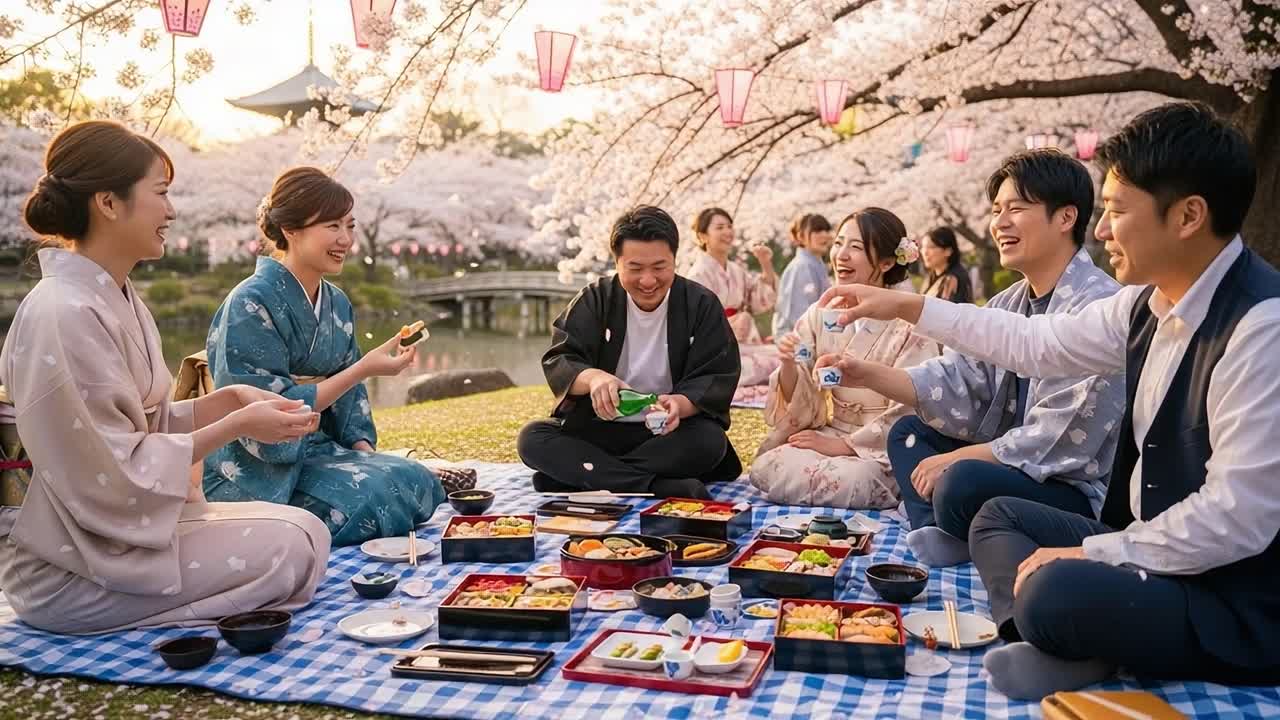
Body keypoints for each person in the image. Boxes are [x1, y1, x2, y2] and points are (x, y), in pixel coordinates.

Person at [815, 102, 1280, 698]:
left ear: (1188, 216)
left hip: (1228, 595)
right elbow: (1034, 344)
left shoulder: (1259, 327)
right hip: (1145, 550)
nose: (1103, 229)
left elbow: (1238, 518)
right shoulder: (1146, 304)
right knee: (999, 519)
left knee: (1056, 586)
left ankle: (1068, 629)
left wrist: (1098, 551)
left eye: (1115, 211)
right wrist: (907, 305)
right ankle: (1056, 639)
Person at [0, 121, 330, 634]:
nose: (172, 211)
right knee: (290, 549)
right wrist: (238, 425)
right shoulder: (62, 314)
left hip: (120, 540)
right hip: (73, 567)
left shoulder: (111, 295)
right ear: (109, 203)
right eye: (161, 193)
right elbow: (112, 470)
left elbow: (137, 427)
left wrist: (226, 403)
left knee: (307, 531)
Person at [867, 150, 1127, 568]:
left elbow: (1056, 438)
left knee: (960, 481)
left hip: (1067, 485)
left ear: (1065, 218)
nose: (1000, 222)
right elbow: (959, 379)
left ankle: (952, 528)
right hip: (1007, 466)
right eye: (995, 210)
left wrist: (958, 457)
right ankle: (945, 532)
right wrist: (863, 374)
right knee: (909, 434)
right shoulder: (1008, 300)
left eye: (1017, 209)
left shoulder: (1099, 304)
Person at [203, 167, 445, 546]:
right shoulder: (249, 302)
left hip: (319, 449)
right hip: (260, 464)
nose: (345, 239)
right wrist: (363, 369)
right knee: (370, 498)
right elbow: (266, 413)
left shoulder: (337, 302)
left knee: (416, 479)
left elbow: (350, 400)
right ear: (291, 229)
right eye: (332, 226)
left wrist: (364, 451)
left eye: (350, 226)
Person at [517, 206, 743, 499]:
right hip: (601, 429)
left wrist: (680, 403)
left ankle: (583, 477)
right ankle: (654, 485)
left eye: (660, 268)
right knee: (533, 438)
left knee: (709, 442)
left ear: (675, 259)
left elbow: (717, 372)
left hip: (667, 434)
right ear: (617, 263)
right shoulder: (596, 298)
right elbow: (561, 357)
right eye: (635, 269)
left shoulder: (700, 303)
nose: (648, 281)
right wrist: (595, 379)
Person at [751, 208, 939, 508]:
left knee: (855, 480)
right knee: (768, 464)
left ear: (887, 262)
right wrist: (788, 363)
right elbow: (803, 394)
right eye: (838, 244)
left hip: (879, 446)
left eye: (856, 247)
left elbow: (912, 404)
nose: (841, 255)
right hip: (833, 428)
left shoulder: (910, 323)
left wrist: (843, 446)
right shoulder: (823, 311)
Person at [684, 207, 779, 386]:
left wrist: (765, 264)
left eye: (729, 226)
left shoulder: (736, 270)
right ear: (702, 236)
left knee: (783, 357)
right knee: (764, 365)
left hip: (745, 342)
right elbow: (695, 325)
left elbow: (759, 301)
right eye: (719, 228)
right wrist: (729, 325)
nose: (727, 232)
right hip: (717, 348)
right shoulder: (698, 274)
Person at [772, 213, 834, 338]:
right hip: (799, 338)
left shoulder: (816, 264)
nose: (825, 235)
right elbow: (800, 314)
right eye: (818, 230)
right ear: (801, 236)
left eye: (827, 230)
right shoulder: (802, 266)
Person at [919, 227, 974, 303]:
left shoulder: (952, 279)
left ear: (948, 251)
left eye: (931, 247)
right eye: (923, 247)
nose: (925, 252)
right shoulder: (932, 275)